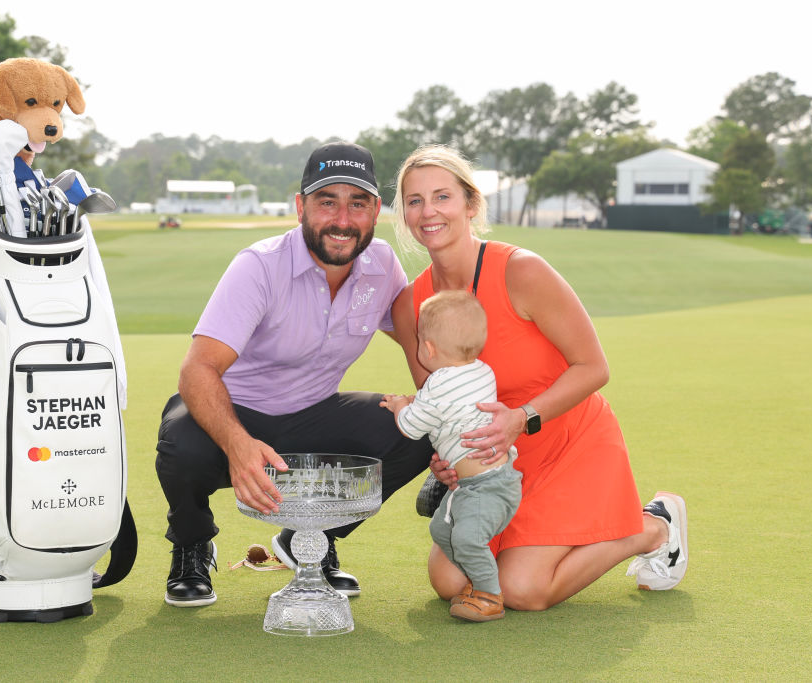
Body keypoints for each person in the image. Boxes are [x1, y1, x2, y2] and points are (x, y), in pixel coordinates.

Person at [389, 144, 689, 611]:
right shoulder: (411, 305)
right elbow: (436, 400)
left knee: (524, 590)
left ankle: (653, 527)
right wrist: (443, 458)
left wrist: (522, 417)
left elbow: (594, 368)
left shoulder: (521, 271)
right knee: (448, 580)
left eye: (442, 197)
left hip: (566, 437)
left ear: (470, 204)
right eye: (414, 200)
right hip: (490, 465)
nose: (429, 211)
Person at [154, 141, 434, 607]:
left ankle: (311, 537)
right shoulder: (259, 266)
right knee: (181, 443)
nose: (343, 219)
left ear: (375, 211)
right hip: (237, 410)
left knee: (422, 430)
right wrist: (239, 445)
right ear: (301, 206)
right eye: (328, 202)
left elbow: (420, 343)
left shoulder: (382, 265)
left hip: (314, 414)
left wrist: (444, 417)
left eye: (357, 204)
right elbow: (198, 370)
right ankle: (192, 544)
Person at [381, 289, 522, 622]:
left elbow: (412, 427)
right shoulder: (481, 371)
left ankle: (489, 594)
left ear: (428, 348)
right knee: (442, 531)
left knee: (465, 537)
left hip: (487, 486)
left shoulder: (439, 384)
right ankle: (477, 583)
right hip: (474, 485)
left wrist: (401, 405)